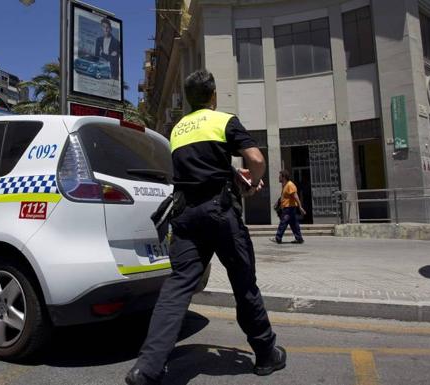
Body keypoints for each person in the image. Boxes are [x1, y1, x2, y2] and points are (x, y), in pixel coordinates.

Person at [125, 69, 286, 385]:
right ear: (213, 95)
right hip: (219, 212)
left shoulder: (178, 130)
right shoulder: (223, 121)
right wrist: (251, 183)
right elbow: (255, 158)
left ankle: (146, 369)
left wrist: (228, 174)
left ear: (188, 100)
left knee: (177, 289)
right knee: (243, 284)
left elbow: (197, 167)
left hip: (185, 217)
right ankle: (266, 354)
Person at [271, 170, 306, 244]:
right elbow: (285, 197)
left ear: (284, 177)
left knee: (283, 222)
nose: (278, 178)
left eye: (280, 176)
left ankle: (278, 238)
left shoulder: (290, 185)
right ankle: (299, 238)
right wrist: (278, 203)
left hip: (289, 209)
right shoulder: (285, 185)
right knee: (294, 224)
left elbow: (295, 196)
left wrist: (300, 207)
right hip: (289, 208)